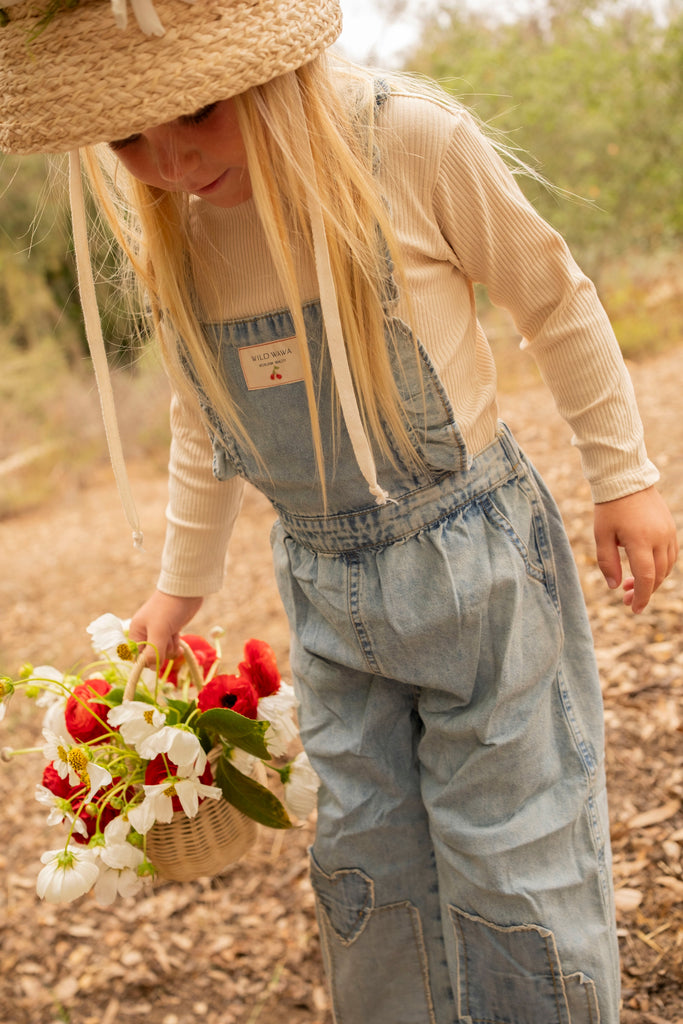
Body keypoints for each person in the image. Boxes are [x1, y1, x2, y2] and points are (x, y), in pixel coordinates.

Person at [1, 1, 677, 1021]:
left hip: (473, 566)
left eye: (199, 110)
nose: (173, 161)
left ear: (266, 68)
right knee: (365, 852)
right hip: (322, 587)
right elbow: (202, 418)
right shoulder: (182, 231)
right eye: (130, 137)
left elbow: (553, 297)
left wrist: (622, 476)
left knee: (512, 841)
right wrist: (178, 588)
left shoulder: (405, 142)